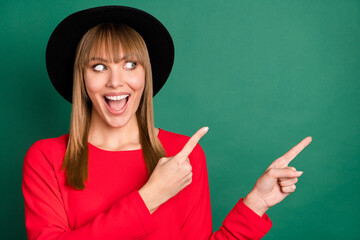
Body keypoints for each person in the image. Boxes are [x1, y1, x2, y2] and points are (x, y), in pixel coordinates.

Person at [22, 5, 312, 240]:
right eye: (99, 67)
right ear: (82, 79)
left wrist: (257, 203)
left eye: (130, 65)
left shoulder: (183, 154)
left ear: (145, 75)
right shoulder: (46, 157)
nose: (115, 81)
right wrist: (149, 197)